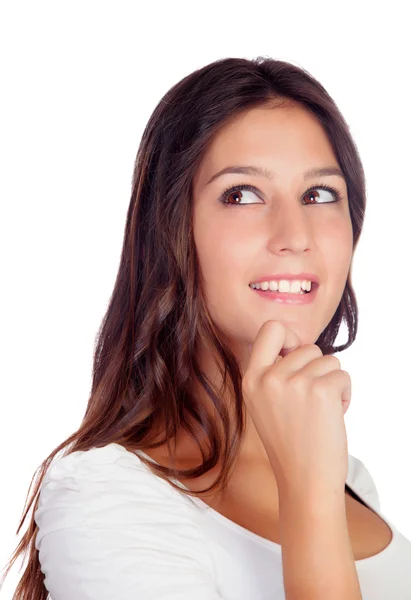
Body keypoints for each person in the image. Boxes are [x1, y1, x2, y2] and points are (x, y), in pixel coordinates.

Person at [2, 56, 411, 599]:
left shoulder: (343, 473)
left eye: (319, 195)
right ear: (171, 229)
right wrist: (309, 494)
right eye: (242, 194)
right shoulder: (105, 492)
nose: (295, 235)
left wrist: (315, 477)